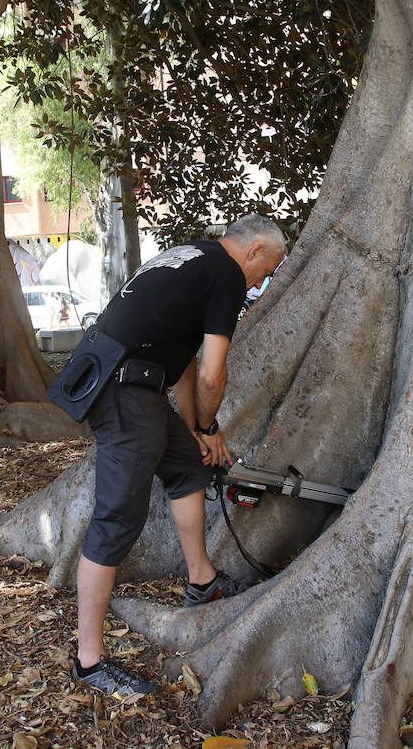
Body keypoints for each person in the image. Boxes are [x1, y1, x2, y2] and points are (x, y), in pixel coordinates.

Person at [71, 214, 287, 699]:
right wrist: (210, 425)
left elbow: (186, 365)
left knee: (187, 466)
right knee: (117, 518)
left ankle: (202, 581)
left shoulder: (192, 259)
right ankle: (90, 662)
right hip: (124, 390)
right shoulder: (228, 276)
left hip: (127, 382)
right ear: (253, 252)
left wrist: (196, 430)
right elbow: (213, 375)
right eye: (267, 269)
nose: (263, 280)